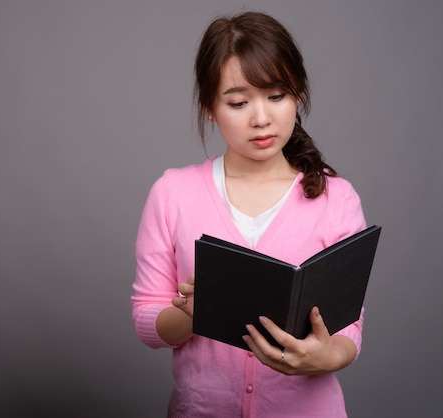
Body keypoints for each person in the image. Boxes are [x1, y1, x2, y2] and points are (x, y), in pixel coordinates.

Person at [131, 11, 367, 418]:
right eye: (238, 102)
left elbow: (349, 328)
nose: (261, 119)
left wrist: (324, 357)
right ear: (209, 106)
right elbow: (146, 320)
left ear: (298, 96)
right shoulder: (171, 193)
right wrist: (195, 315)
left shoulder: (337, 198)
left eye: (277, 96)